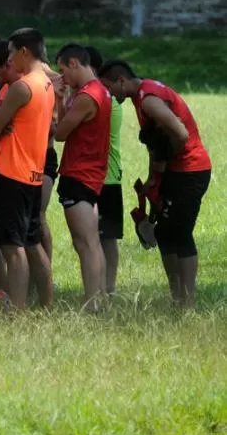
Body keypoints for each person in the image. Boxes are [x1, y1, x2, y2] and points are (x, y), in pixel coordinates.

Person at [100, 60, 211, 307]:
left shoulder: (148, 99)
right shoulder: (141, 97)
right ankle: (177, 297)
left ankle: (188, 303)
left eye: (109, 88)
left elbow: (179, 134)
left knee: (180, 234)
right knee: (163, 232)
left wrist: (169, 162)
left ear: (121, 81)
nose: (110, 95)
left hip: (191, 171)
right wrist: (154, 178)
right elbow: (156, 143)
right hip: (174, 172)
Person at [0, 28, 54, 309]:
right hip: (33, 173)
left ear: (24, 51)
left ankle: (19, 310)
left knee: (12, 248)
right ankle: (46, 303)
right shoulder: (44, 83)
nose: (9, 59)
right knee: (33, 243)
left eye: (11, 52)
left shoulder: (22, 87)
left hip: (12, 172)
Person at [53, 44, 112, 308]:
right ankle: (97, 297)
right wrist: (61, 100)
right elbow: (68, 128)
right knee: (91, 242)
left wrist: (57, 103)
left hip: (79, 175)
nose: (62, 76)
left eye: (63, 70)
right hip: (90, 174)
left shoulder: (88, 96)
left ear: (75, 63)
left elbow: (60, 134)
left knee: (85, 243)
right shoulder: (99, 91)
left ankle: (93, 303)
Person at [87, 46, 123, 294]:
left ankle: (107, 287)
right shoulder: (98, 97)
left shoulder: (103, 100)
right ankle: (102, 286)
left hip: (106, 177)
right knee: (98, 237)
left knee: (106, 237)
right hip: (100, 176)